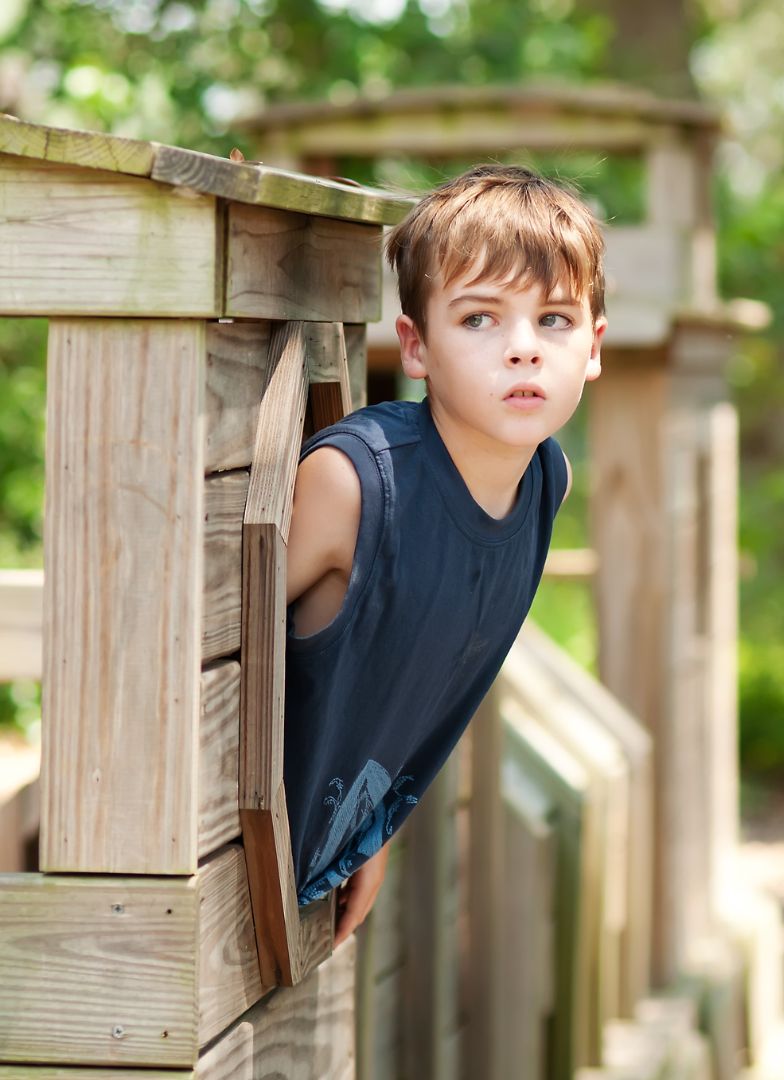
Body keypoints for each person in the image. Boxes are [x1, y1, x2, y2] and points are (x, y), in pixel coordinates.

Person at [281, 163, 608, 946]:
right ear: (416, 346)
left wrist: (373, 829)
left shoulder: (544, 482)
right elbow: (200, 655)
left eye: (555, 320)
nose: (523, 349)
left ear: (594, 347)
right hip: (220, 862)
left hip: (317, 875)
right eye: (479, 320)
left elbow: (415, 677)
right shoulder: (353, 486)